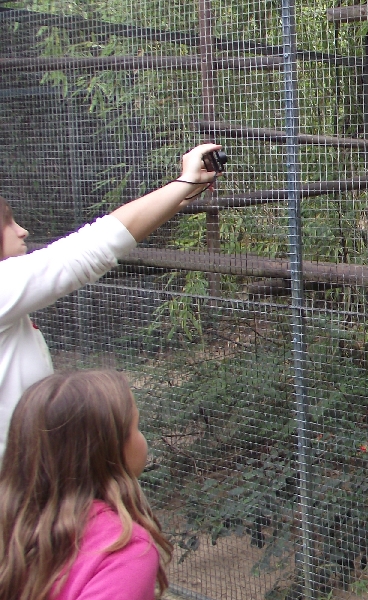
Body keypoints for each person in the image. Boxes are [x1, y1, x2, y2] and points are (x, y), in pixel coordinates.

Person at [0, 143, 220, 455]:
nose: (21, 231)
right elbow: (91, 249)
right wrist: (182, 184)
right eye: (7, 222)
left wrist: (182, 191)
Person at [0, 370, 172, 600]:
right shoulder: (121, 549)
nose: (142, 438)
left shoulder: (12, 527)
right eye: (135, 428)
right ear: (108, 450)